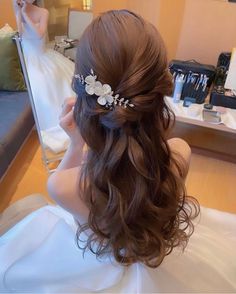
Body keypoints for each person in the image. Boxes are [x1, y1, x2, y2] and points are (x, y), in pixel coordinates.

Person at [0, 10, 236, 293]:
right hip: (155, 257)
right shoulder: (180, 152)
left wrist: (75, 143)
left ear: (85, 96)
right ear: (157, 92)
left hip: (90, 269)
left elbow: (73, 197)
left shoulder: (65, 186)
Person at [12, 0, 75, 153]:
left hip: (41, 55)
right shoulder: (18, 8)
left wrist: (26, 14)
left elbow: (39, 34)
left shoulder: (43, 12)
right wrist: (19, 12)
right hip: (27, 57)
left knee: (45, 81)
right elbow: (20, 33)